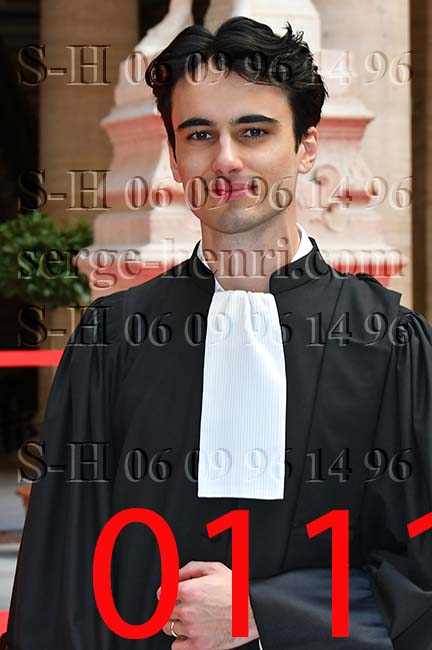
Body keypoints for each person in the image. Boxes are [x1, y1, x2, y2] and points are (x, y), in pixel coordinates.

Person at [2, 16, 432, 650]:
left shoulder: (390, 343)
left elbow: (419, 572)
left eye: (254, 131)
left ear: (306, 148)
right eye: (200, 134)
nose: (226, 159)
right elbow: (61, 572)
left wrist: (265, 613)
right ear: (175, 158)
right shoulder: (111, 341)